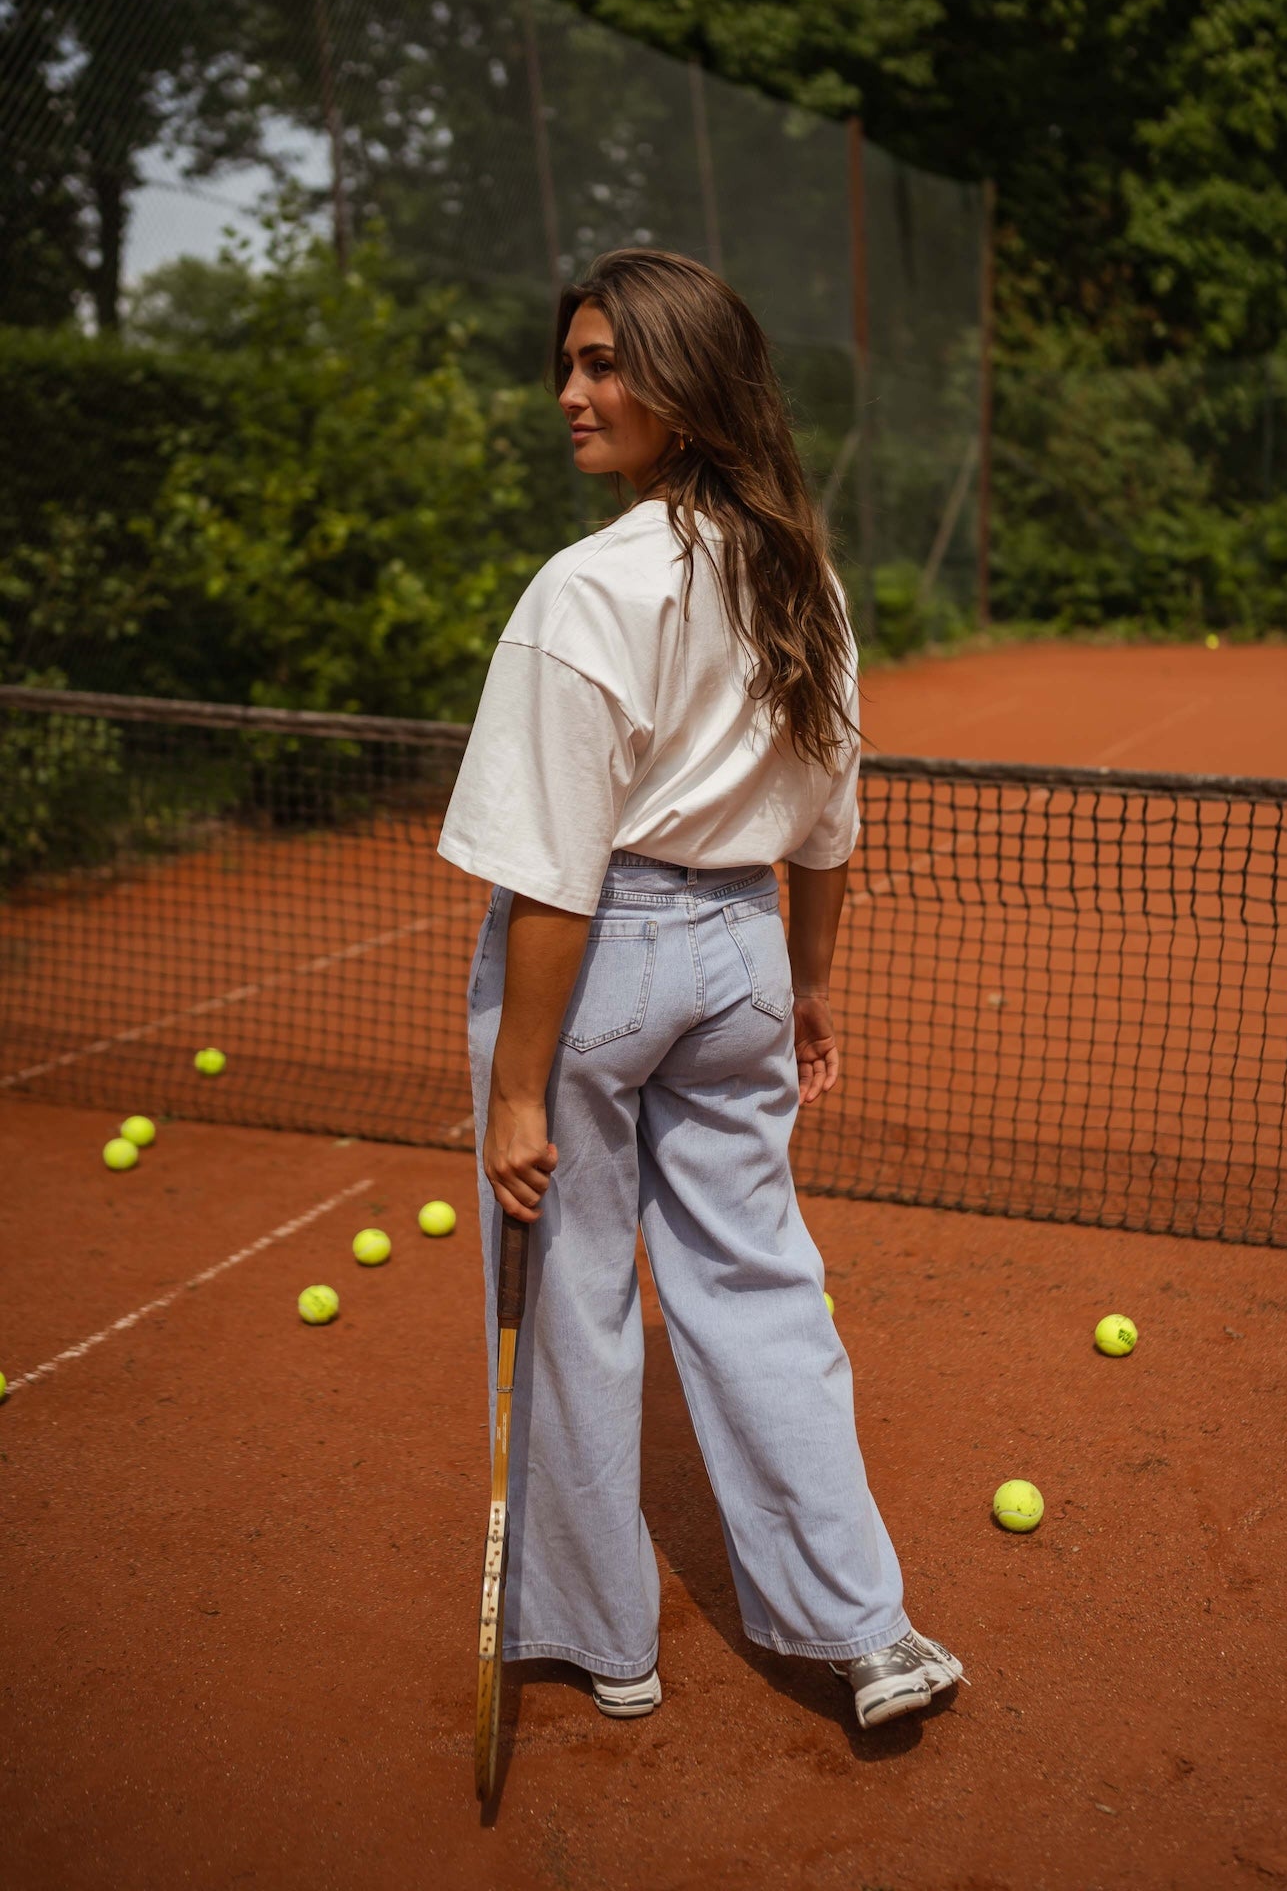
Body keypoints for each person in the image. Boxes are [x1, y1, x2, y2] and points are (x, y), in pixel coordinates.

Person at [438, 248, 964, 1731]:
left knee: (570, 1301)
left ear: (686, 382)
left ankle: (610, 1645)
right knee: (763, 1285)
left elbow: (554, 873)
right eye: (570, 364)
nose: (572, 394)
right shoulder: (803, 570)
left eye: (606, 364)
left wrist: (523, 1089)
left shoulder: (585, 587)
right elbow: (830, 820)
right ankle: (866, 1630)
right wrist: (805, 987)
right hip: (742, 955)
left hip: (597, 964)